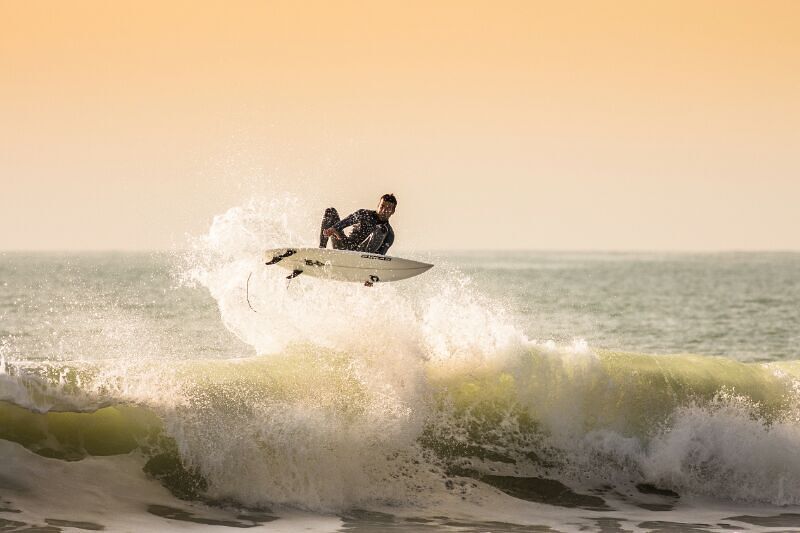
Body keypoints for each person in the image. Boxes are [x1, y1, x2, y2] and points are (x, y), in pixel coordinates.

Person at [319, 194, 396, 255]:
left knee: (382, 229)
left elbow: (380, 255)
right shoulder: (364, 214)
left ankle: (363, 258)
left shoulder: (389, 234)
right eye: (382, 206)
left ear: (393, 211)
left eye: (388, 208)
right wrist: (334, 229)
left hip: (362, 257)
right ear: (378, 205)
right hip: (345, 247)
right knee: (330, 211)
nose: (384, 210)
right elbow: (346, 221)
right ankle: (321, 251)